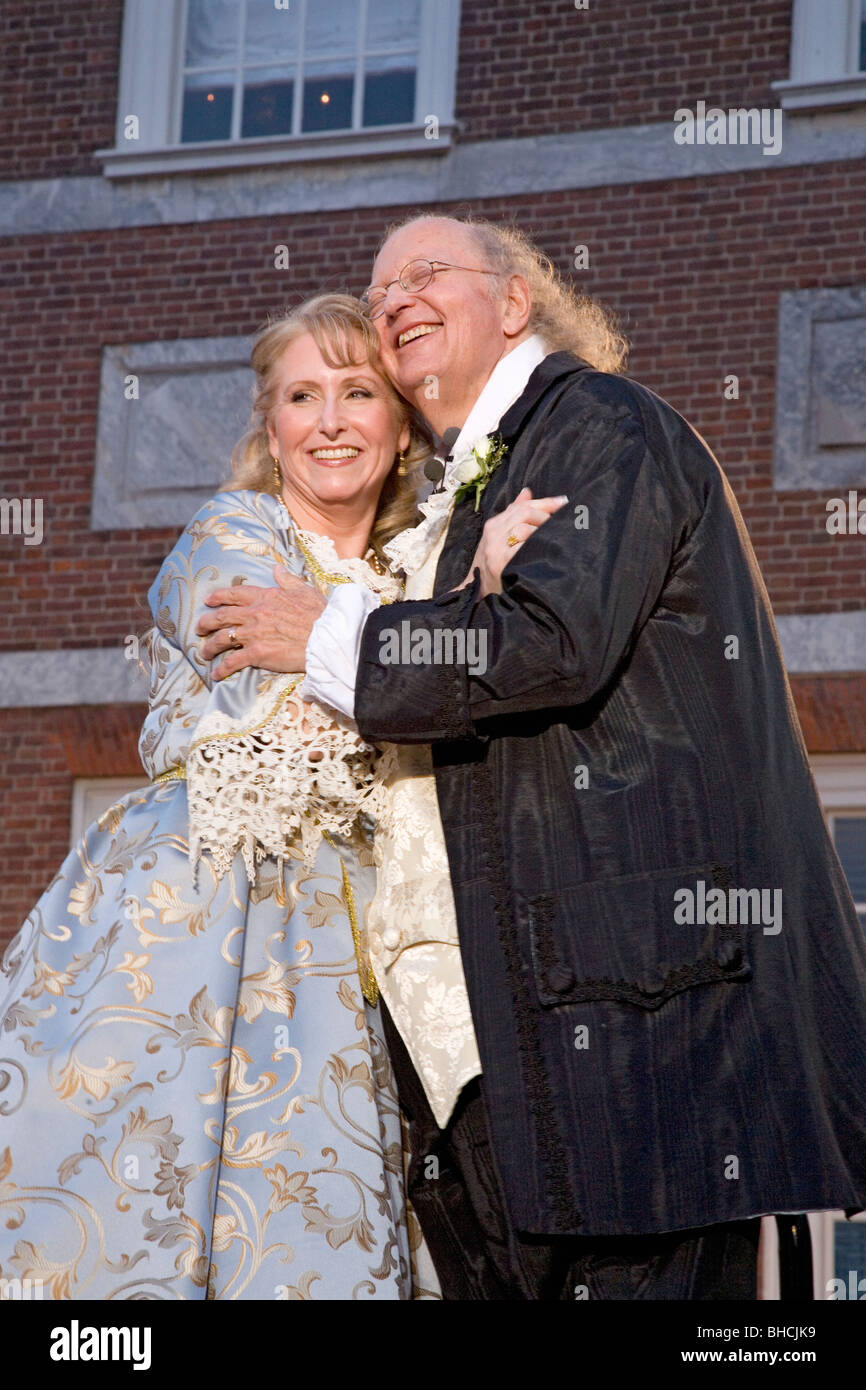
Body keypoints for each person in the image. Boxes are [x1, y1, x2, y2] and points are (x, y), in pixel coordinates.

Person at [198, 215, 866, 1301]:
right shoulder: (456, 493)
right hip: (502, 1049)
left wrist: (321, 636)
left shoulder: (599, 425)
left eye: (426, 273)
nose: (395, 298)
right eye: (378, 292)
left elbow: (550, 641)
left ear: (512, 302)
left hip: (643, 1042)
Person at [0, 293, 442, 1300]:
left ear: (400, 420)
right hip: (195, 921)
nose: (329, 419)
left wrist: (382, 643)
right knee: (149, 1198)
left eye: (357, 391)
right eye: (301, 395)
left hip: (345, 942)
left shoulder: (408, 568)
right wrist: (419, 661)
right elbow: (296, 712)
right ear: (270, 426)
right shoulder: (227, 534)